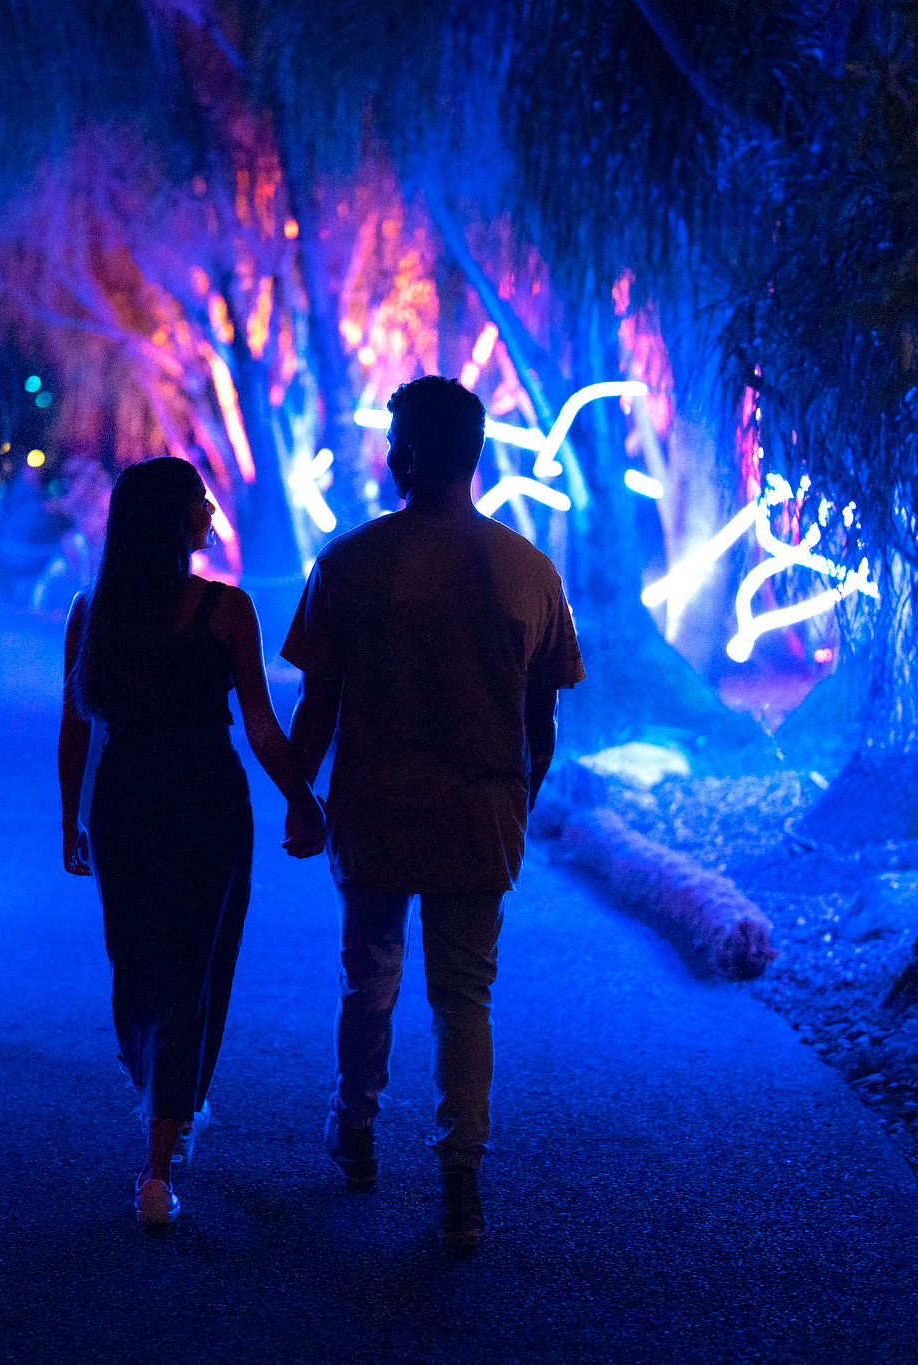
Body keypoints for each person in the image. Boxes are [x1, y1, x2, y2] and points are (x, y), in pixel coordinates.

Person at [282, 376, 585, 1252]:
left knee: (368, 977)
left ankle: (357, 1132)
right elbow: (543, 722)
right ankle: (461, 1181)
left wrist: (303, 796)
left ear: (403, 456)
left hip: (374, 809)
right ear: (477, 455)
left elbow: (318, 708)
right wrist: (515, 800)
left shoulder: (347, 563)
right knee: (464, 996)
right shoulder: (529, 572)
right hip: (481, 810)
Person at [58, 456, 327, 1227]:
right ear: (173, 519)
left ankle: (158, 1147)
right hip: (208, 796)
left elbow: (75, 730)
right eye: (199, 500)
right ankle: (165, 1126)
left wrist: (70, 819)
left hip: (124, 797)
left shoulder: (93, 609)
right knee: (194, 972)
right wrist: (303, 802)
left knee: (139, 964)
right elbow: (263, 728)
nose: (212, 508)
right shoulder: (226, 611)